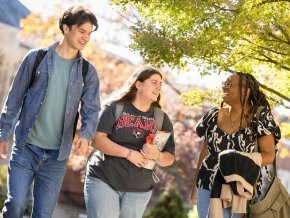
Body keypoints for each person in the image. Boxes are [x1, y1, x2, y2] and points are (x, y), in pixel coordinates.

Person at [0, 5, 101, 218]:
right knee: (16, 205)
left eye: (89, 34)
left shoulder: (87, 71)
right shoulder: (36, 58)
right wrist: (3, 132)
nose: (85, 38)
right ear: (66, 28)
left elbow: (92, 108)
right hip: (26, 147)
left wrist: (86, 135)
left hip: (57, 156)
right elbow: (15, 97)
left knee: (43, 214)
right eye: (82, 31)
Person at [84, 65, 175, 218]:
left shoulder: (161, 118)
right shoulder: (115, 108)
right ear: (139, 84)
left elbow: (169, 158)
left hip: (139, 190)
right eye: (154, 82)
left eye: (160, 84)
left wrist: (157, 155)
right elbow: (97, 140)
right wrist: (128, 153)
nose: (158, 87)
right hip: (104, 179)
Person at [189, 73, 281, 217]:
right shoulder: (213, 115)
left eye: (229, 83)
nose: (224, 87)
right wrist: (195, 187)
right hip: (207, 184)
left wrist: (237, 160)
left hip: (240, 188)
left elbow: (269, 155)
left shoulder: (259, 117)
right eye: (224, 82)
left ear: (246, 90)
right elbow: (205, 152)